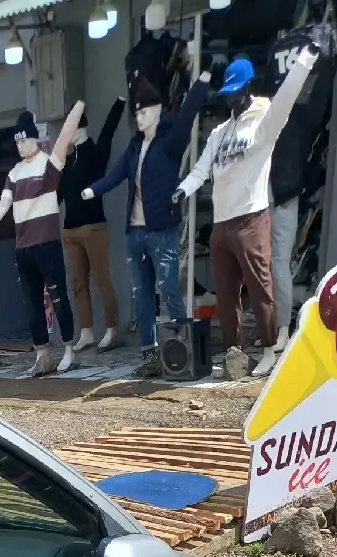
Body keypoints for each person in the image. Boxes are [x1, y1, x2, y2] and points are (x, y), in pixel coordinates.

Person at [175, 48, 319, 379]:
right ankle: (233, 353)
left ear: (248, 88)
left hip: (252, 216)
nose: (231, 100)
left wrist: (305, 61)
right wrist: (184, 188)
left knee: (260, 287)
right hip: (222, 222)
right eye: (228, 94)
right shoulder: (219, 133)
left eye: (236, 93)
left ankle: (269, 349)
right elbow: (201, 168)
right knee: (226, 293)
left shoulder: (263, 124)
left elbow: (285, 99)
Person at [83, 68, 211, 378]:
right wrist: (94, 189)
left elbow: (186, 118)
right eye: (136, 112)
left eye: (144, 111)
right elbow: (116, 174)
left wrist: (200, 86)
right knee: (142, 294)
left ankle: (184, 351)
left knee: (168, 289)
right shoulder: (133, 147)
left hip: (162, 229)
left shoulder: (169, 142)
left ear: (157, 111)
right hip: (135, 231)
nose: (139, 117)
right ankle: (149, 353)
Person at [0, 102, 86, 378]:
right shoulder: (13, 173)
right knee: (31, 303)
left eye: (24, 139)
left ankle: (68, 350)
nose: (20, 146)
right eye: (17, 141)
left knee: (58, 297)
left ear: (34, 138)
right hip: (23, 247)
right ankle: (42, 354)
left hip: (47, 244)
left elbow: (64, 139)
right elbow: (4, 203)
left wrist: (76, 111)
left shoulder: (48, 165)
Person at [266, 7, 337, 355]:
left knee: (276, 265)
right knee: (267, 267)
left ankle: (280, 327)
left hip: (281, 193)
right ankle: (274, 328)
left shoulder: (290, 118)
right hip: (270, 193)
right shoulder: (278, 117)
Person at [60, 97, 127, 352]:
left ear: (79, 128)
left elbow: (108, 130)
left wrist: (119, 103)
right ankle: (86, 331)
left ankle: (111, 329)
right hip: (70, 229)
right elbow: (58, 194)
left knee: (102, 279)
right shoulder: (67, 160)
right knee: (77, 282)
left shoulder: (96, 152)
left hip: (93, 226)